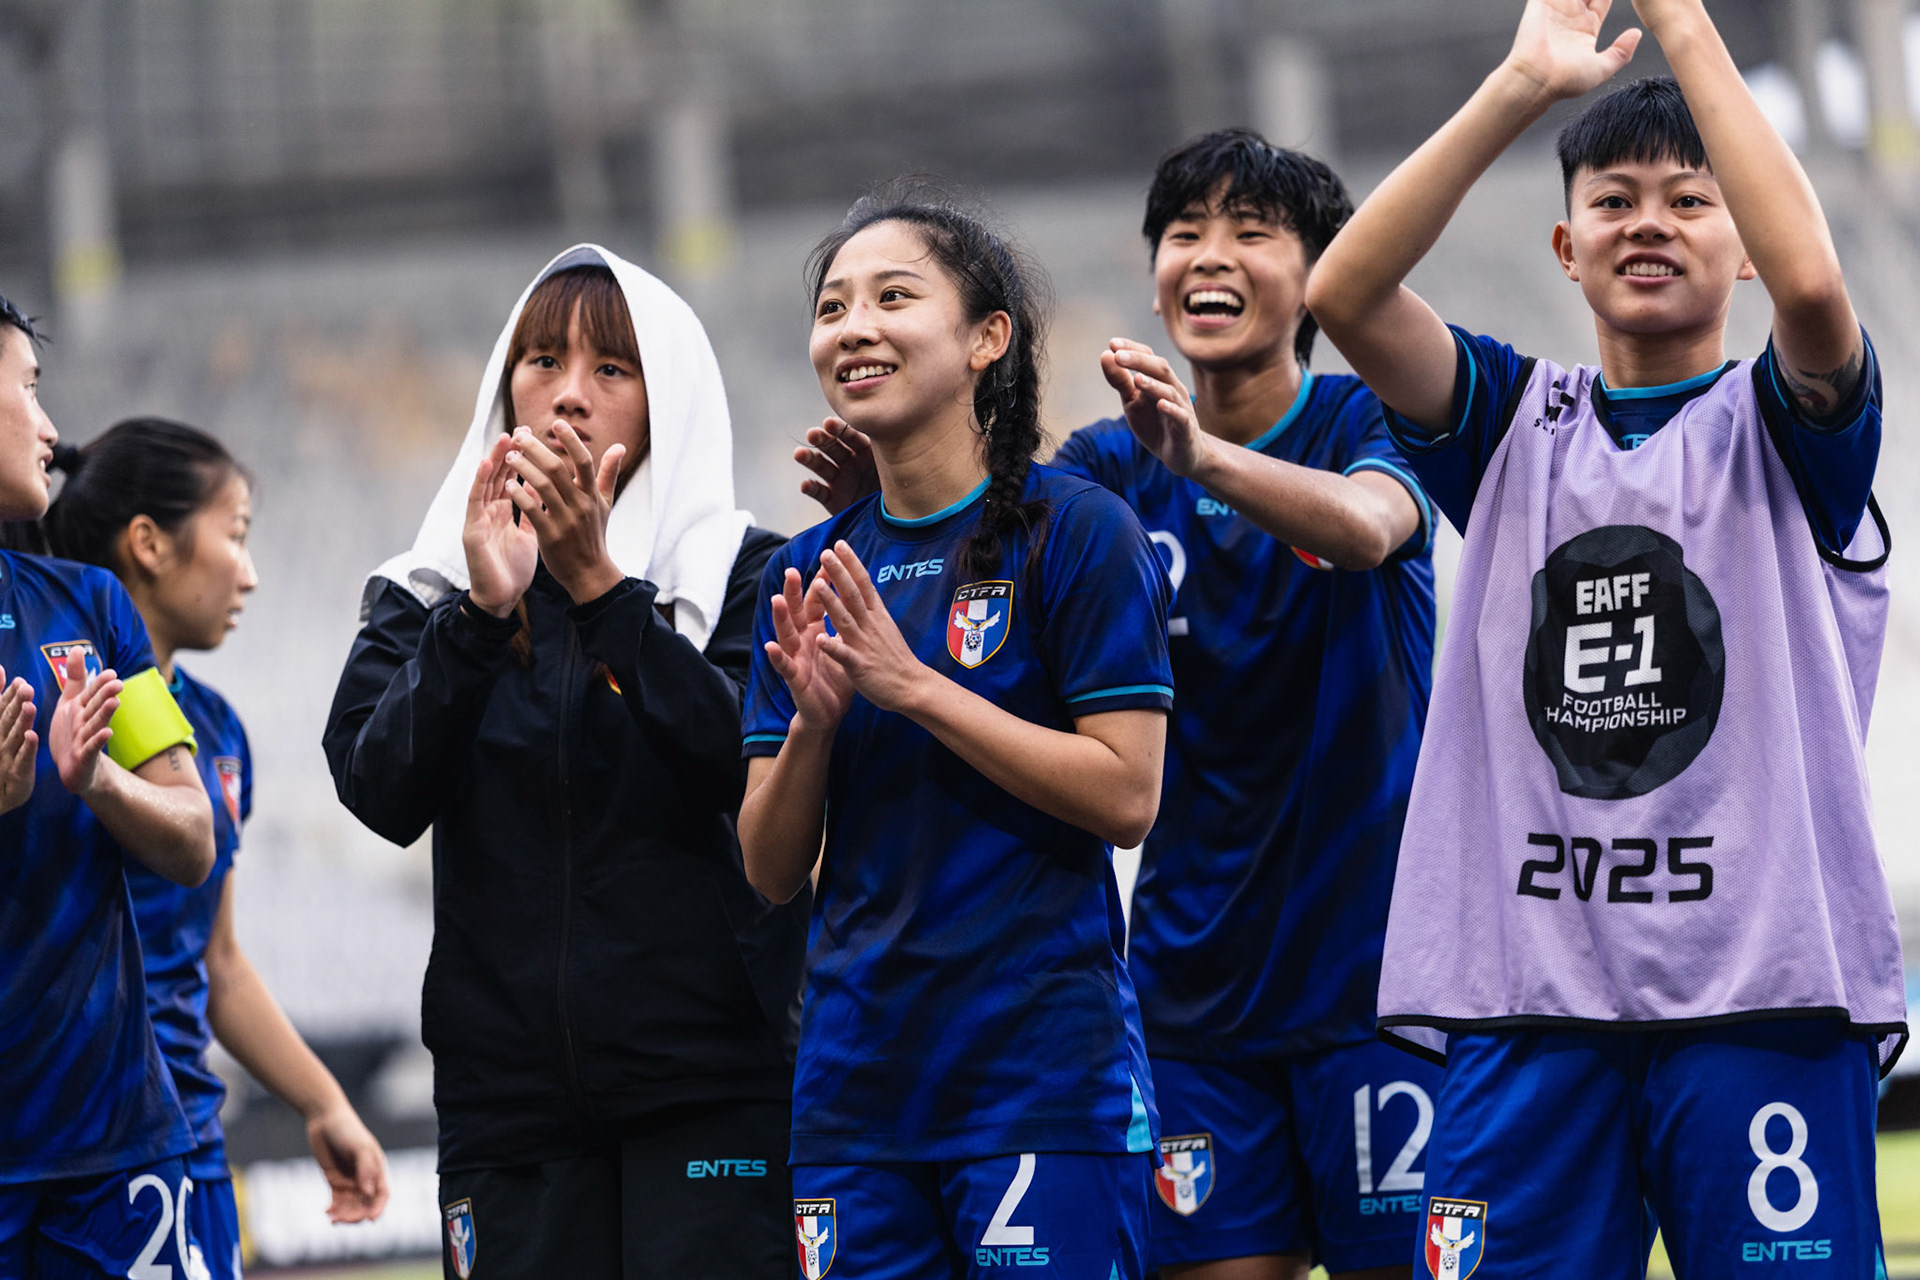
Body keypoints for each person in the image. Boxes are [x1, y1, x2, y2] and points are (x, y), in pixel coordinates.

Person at [1305, 1, 1903, 1275]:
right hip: (1530, 1004)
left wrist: (1681, 21)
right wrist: (1522, 84)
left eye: (1689, 202)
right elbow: (1343, 291)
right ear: (1568, 247)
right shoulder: (1512, 418)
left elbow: (1813, 283)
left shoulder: (1791, 427)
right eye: (1617, 201)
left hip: (1764, 1000)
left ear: (1738, 245)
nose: (1648, 223)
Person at [799, 132, 1439, 1280]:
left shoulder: (1364, 422)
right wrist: (886, 509)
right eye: (1186, 231)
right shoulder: (1102, 470)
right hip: (1187, 989)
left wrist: (1201, 459)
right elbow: (989, 527)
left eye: (1252, 231)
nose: (1211, 255)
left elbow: (1363, 529)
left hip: (1378, 976)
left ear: (1321, 275)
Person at [325, 245, 806, 1280]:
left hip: (713, 1088)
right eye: (541, 362)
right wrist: (481, 613)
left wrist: (602, 590)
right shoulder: (427, 589)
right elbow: (377, 787)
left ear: (667, 400)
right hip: (511, 1114)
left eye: (612, 371)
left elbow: (741, 766)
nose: (568, 397)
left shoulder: (750, 573)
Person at [739, 189, 1172, 1279]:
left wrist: (916, 687)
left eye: (893, 297)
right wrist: (817, 729)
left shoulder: (1077, 533)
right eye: (833, 307)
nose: (854, 327)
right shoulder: (802, 570)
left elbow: (1128, 795)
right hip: (856, 1090)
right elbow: (770, 866)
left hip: (1038, 1077)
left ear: (988, 339)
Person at [43, 418, 390, 1280]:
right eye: (234, 537)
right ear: (150, 545)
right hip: (81, 1141)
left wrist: (323, 1104)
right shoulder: (51, 708)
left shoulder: (220, 733)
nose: (251, 572)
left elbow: (220, 963)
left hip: (190, 1142)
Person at [0, 296, 216, 1277]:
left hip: (117, 1156)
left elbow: (192, 833)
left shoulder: (90, 604)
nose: (50, 428)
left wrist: (99, 784)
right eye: (28, 393)